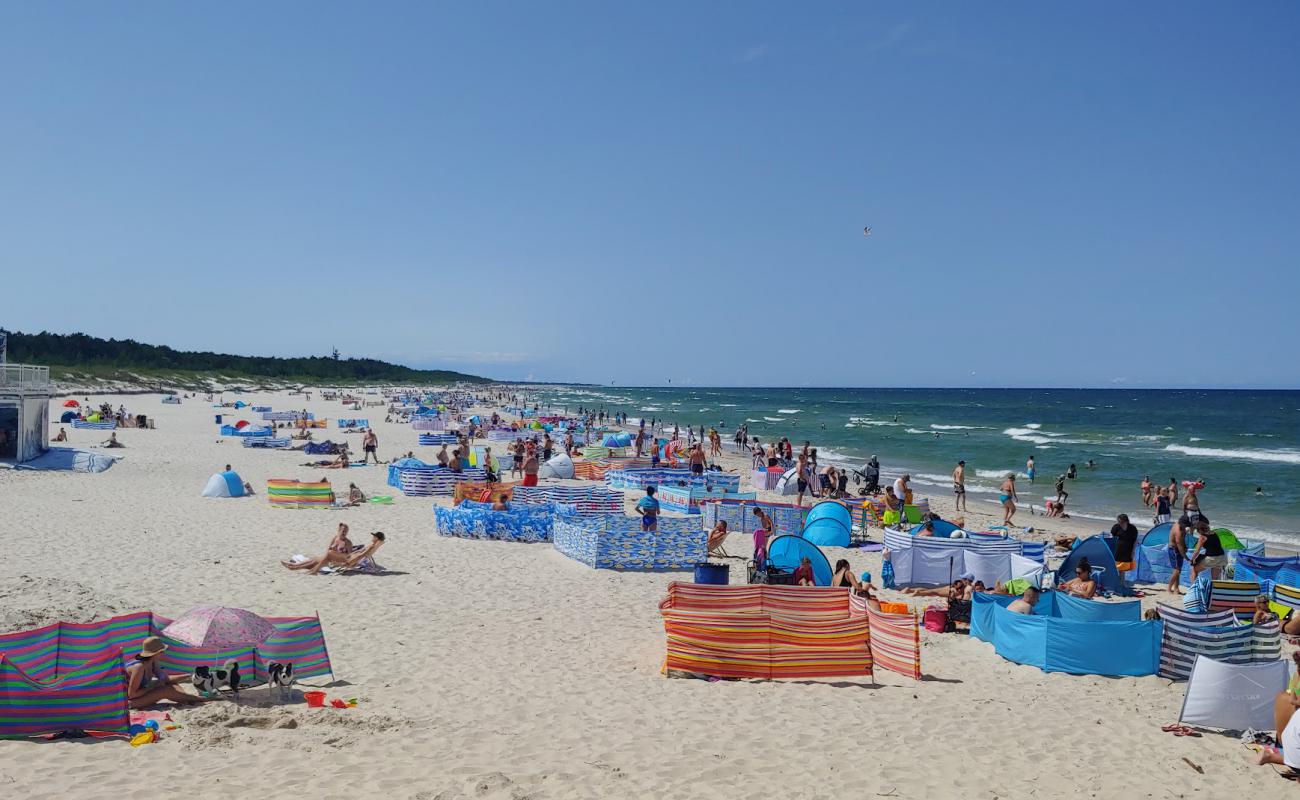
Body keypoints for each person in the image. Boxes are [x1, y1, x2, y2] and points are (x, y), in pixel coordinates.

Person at [126, 637, 205, 709]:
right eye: (162, 651)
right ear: (155, 653)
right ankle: (195, 699)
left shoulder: (153, 662)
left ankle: (186, 699)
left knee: (171, 684)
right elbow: (132, 694)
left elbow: (165, 679)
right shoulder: (139, 667)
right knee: (164, 691)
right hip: (125, 703)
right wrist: (153, 686)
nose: (164, 653)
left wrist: (189, 675)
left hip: (137, 696)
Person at [283, 531, 387, 575]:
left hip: (348, 559)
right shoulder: (373, 545)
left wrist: (349, 563)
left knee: (327, 555)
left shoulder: (371, 546)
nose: (372, 537)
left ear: (377, 538)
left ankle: (295, 566)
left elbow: (361, 555)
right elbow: (361, 554)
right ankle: (294, 566)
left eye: (374, 536)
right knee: (318, 559)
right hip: (349, 557)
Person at [1111, 513, 1139, 586]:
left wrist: (1133, 551)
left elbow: (1135, 540)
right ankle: (1121, 582)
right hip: (1118, 549)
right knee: (1119, 566)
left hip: (1128, 549)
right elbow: (1112, 537)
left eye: (1121, 522)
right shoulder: (1116, 527)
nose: (1119, 523)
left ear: (1126, 521)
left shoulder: (1132, 528)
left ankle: (1121, 582)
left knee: (1124, 567)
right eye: (1118, 521)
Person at [1167, 514, 1191, 594]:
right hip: (1174, 550)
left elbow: (1182, 541)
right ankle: (1169, 588)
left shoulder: (1179, 525)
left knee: (1178, 570)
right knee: (1177, 570)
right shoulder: (1178, 531)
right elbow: (1179, 546)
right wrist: (1186, 557)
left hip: (1177, 549)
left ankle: (1176, 588)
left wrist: (1185, 546)